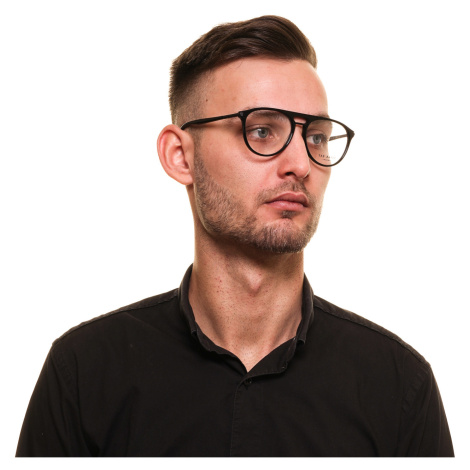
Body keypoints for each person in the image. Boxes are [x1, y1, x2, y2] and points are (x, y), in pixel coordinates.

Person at [16, 15, 453, 457]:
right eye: (261, 131)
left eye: (317, 137)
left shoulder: (398, 385)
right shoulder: (84, 374)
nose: (301, 165)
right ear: (180, 156)